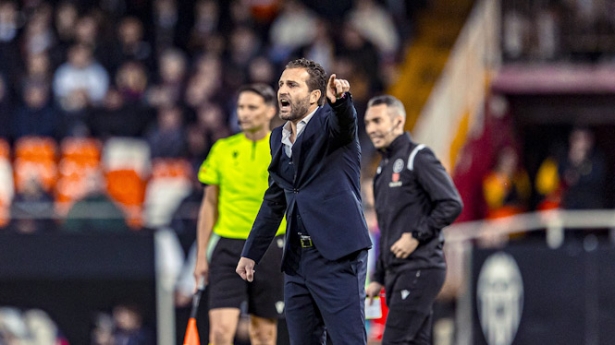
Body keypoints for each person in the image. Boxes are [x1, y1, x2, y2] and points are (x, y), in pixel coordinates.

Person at [236, 58, 372, 345]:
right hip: (298, 261)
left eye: (293, 85)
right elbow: (275, 199)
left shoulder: (330, 122)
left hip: (337, 255)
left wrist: (341, 101)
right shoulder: (277, 138)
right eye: (281, 84)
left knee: (348, 341)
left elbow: (345, 123)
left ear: (314, 97)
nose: (283, 90)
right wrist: (251, 253)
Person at [363, 95, 463, 345]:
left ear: (398, 122)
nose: (371, 128)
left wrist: (416, 236)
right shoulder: (382, 169)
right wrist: (377, 277)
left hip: (420, 267)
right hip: (398, 272)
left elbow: (452, 203)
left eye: (377, 120)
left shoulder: (417, 156)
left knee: (394, 341)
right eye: (367, 122)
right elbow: (387, 228)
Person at [194, 83, 287, 345]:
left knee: (264, 334)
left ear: (270, 111)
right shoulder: (222, 149)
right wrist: (201, 255)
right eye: (240, 107)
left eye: (251, 107)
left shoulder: (284, 148)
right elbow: (209, 205)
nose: (243, 113)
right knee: (221, 333)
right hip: (228, 246)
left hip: (269, 247)